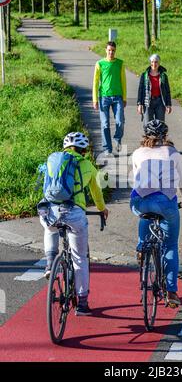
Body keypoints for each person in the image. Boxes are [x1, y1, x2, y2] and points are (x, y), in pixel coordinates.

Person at [38, 132, 109, 316]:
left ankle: (49, 262)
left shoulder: (54, 160)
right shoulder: (88, 166)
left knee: (50, 228)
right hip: (74, 213)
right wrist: (102, 209)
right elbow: (96, 193)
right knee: (79, 258)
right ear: (84, 150)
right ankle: (82, 304)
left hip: (50, 209)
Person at [130, 120, 182, 307]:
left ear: (145, 135)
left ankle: (142, 246)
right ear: (165, 136)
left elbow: (135, 179)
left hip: (139, 202)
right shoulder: (172, 152)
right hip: (165, 203)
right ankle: (171, 292)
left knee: (145, 215)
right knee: (170, 245)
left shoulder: (137, 153)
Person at [93, 41, 127, 156]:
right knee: (105, 124)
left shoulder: (120, 63)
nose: (111, 52)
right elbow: (95, 82)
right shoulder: (100, 64)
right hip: (104, 97)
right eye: (109, 50)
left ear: (115, 51)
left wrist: (125, 97)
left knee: (120, 121)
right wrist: (95, 99)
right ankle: (107, 148)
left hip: (118, 97)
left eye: (113, 50)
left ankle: (117, 140)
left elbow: (123, 81)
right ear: (105, 50)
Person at [137, 54, 172, 129]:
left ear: (159, 63)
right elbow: (140, 90)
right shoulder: (145, 75)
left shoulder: (163, 76)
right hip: (148, 102)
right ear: (150, 63)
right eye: (152, 62)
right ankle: (149, 140)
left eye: (156, 62)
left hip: (160, 102)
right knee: (148, 125)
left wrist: (168, 104)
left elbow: (167, 91)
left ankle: (159, 141)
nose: (154, 64)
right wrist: (139, 104)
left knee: (160, 125)